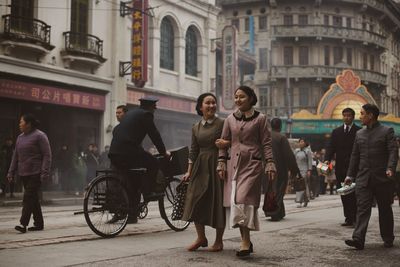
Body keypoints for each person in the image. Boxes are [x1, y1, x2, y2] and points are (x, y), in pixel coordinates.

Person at [217, 86, 276, 257]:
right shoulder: (229, 119)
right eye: (236, 97)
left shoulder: (261, 119)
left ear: (251, 98)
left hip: (252, 165)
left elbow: (266, 143)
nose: (238, 100)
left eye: (242, 97)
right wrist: (221, 163)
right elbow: (223, 142)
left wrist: (270, 163)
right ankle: (246, 241)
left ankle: (245, 241)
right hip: (233, 165)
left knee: (244, 199)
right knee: (236, 202)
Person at [108, 96, 170, 223]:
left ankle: (132, 214)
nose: (155, 109)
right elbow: (154, 135)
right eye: (154, 106)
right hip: (128, 152)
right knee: (153, 162)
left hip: (114, 153)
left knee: (132, 181)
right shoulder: (146, 115)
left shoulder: (131, 114)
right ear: (150, 107)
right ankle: (148, 192)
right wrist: (164, 152)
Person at [345, 104, 398, 250]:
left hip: (382, 178)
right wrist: (350, 175)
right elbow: (355, 156)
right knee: (362, 208)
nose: (360, 116)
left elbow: (393, 151)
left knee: (385, 209)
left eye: (362, 114)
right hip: (363, 178)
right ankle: (358, 239)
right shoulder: (359, 134)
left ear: (370, 115)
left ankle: (388, 238)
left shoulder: (387, 131)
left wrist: (390, 168)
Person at [182, 93, 226, 252]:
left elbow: (230, 143)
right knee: (194, 199)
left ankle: (219, 241)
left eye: (214, 103)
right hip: (200, 166)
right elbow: (193, 151)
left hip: (217, 164)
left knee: (217, 201)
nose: (211, 105)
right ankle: (201, 237)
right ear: (201, 107)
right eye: (208, 103)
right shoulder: (196, 127)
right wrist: (188, 171)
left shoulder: (223, 123)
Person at [7, 114, 51, 233]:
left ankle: (23, 224)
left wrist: (44, 172)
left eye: (21, 122)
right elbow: (15, 156)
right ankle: (39, 223)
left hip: (36, 172)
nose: (19, 124)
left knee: (27, 197)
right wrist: (11, 172)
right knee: (33, 199)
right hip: (24, 173)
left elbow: (47, 155)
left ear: (28, 124)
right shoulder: (20, 138)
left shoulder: (40, 136)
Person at [325, 107, 361, 227]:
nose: (346, 117)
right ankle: (348, 218)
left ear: (353, 117)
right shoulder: (337, 132)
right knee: (344, 193)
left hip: (354, 168)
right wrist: (327, 159)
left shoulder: (359, 131)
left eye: (349, 115)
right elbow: (331, 147)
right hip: (340, 168)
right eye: (344, 115)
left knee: (354, 193)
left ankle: (355, 217)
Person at [267, 118, 299, 221]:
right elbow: (289, 156)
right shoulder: (281, 137)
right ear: (280, 126)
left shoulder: (265, 136)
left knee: (270, 190)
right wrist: (294, 170)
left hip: (266, 168)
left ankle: (279, 212)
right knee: (279, 190)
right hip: (279, 169)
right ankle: (274, 212)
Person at [294, 138, 312, 207]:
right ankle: (303, 200)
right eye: (300, 142)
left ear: (305, 143)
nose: (301, 143)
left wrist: (309, 170)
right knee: (299, 186)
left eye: (302, 142)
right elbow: (294, 160)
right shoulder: (296, 151)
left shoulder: (307, 151)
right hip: (297, 171)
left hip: (305, 170)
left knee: (304, 185)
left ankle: (301, 201)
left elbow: (310, 161)